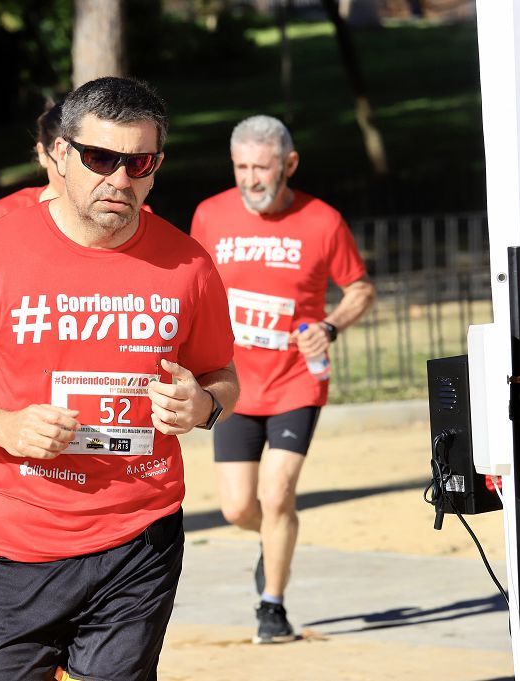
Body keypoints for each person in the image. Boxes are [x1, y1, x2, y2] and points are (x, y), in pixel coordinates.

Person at [0, 77, 239, 681]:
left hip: (139, 532)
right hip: (14, 538)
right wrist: (5, 427)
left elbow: (223, 378)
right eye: (101, 158)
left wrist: (204, 405)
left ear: (156, 167)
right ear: (60, 155)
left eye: (139, 162)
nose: (119, 179)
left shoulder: (189, 265)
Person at [190, 115, 376, 645]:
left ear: (289, 164)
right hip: (231, 384)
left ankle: (272, 607)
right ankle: (273, 543)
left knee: (277, 495)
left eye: (262, 167)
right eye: (241, 167)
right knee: (237, 507)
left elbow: (360, 289)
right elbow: (189, 285)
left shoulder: (322, 221)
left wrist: (329, 325)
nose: (250, 179)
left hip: (297, 381)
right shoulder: (210, 215)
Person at [0, 100, 65, 231]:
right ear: (43, 154)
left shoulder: (100, 216)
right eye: (64, 160)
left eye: (95, 160)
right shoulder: (1, 215)